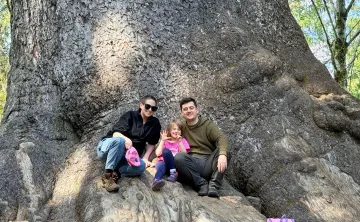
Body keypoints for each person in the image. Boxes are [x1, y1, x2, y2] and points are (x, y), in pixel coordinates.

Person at [96, 95, 161, 192]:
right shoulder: (130, 115)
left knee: (141, 166)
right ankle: (107, 176)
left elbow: (152, 143)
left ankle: (117, 172)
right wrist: (126, 139)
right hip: (109, 148)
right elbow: (115, 133)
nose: (150, 110)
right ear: (141, 105)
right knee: (120, 141)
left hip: (127, 157)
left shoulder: (155, 123)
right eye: (147, 106)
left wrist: (145, 157)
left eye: (153, 108)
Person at [174, 97, 229, 197]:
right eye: (185, 109)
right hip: (192, 163)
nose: (188, 111)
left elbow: (221, 138)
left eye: (191, 108)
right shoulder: (182, 128)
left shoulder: (207, 125)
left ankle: (214, 185)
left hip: (208, 163)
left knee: (224, 152)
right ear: (182, 113)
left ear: (197, 109)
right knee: (179, 157)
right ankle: (201, 184)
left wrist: (222, 155)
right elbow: (170, 140)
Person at [151, 120, 190, 191]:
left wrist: (180, 142)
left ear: (181, 132)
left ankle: (173, 173)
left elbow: (184, 154)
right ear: (169, 130)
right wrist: (162, 141)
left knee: (167, 153)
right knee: (161, 165)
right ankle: (156, 181)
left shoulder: (182, 140)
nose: (176, 131)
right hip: (163, 163)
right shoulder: (165, 141)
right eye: (174, 129)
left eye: (178, 129)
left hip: (175, 165)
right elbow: (158, 153)